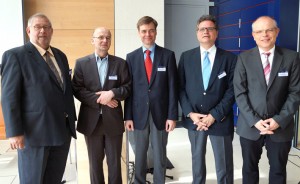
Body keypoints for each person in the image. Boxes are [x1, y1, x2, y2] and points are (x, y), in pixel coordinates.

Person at [1, 13, 77, 184]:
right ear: (29, 30)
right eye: (38, 27)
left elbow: (64, 90)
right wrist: (14, 132)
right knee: (32, 180)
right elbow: (9, 97)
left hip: (62, 131)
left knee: (54, 179)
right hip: (34, 133)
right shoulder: (15, 56)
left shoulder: (60, 56)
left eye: (47, 27)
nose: (43, 31)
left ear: (52, 31)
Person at [233, 16, 300, 184]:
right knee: (249, 170)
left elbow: (295, 93)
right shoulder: (243, 58)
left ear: (277, 32)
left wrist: (279, 120)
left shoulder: (292, 58)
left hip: (280, 127)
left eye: (269, 30)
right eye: (259, 31)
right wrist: (255, 120)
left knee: (278, 171)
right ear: (253, 35)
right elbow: (240, 93)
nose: (264, 34)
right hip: (250, 126)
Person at [178, 14, 237, 184]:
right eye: (202, 29)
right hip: (194, 121)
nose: (206, 31)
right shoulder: (186, 57)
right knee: (197, 162)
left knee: (224, 164)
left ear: (216, 33)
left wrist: (214, 115)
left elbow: (232, 90)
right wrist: (190, 113)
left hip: (220, 119)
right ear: (197, 33)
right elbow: (180, 88)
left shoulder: (230, 59)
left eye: (210, 28)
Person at [72, 27, 131, 184]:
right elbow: (77, 90)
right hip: (91, 122)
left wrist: (111, 93)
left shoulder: (120, 63)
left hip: (113, 121)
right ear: (93, 40)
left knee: (114, 164)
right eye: (100, 37)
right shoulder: (81, 63)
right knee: (95, 165)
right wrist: (101, 99)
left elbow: (127, 88)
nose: (105, 40)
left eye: (108, 37)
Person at [124, 16, 178, 184]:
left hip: (161, 114)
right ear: (139, 33)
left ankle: (159, 181)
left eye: (151, 30)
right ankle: (139, 181)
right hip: (139, 114)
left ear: (156, 32)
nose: (148, 34)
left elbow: (172, 88)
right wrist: (128, 116)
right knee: (140, 152)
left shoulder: (168, 55)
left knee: (160, 151)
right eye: (144, 31)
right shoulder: (131, 57)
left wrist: (172, 116)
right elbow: (129, 90)